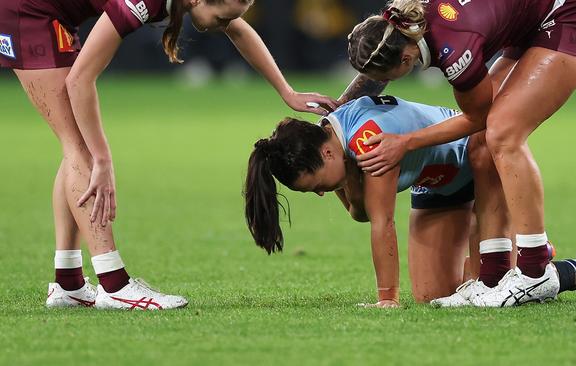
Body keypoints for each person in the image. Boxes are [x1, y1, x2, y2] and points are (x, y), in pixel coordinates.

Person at [1, 0, 337, 310]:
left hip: (46, 13)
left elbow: (238, 28)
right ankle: (113, 284)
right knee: (81, 149)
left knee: (76, 146)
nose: (229, 23)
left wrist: (287, 91)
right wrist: (103, 160)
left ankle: (68, 284)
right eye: (223, 16)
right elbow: (79, 82)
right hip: (27, 12)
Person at [338, 0, 576, 305]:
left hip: (571, 17)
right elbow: (384, 56)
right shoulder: (403, 21)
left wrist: (406, 142)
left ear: (405, 60)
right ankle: (492, 277)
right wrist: (339, 109)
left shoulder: (452, 46)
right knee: (480, 142)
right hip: (530, 26)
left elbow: (477, 116)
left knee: (502, 132)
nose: (378, 83)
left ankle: (534, 269)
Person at [244, 95, 576, 306]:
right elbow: (360, 213)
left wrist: (386, 300)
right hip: (435, 184)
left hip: (474, 162)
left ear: (328, 154)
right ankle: (529, 261)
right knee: (436, 297)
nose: (318, 193)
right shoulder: (334, 146)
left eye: (314, 185)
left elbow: (381, 221)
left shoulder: (366, 142)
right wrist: (341, 182)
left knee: (493, 292)